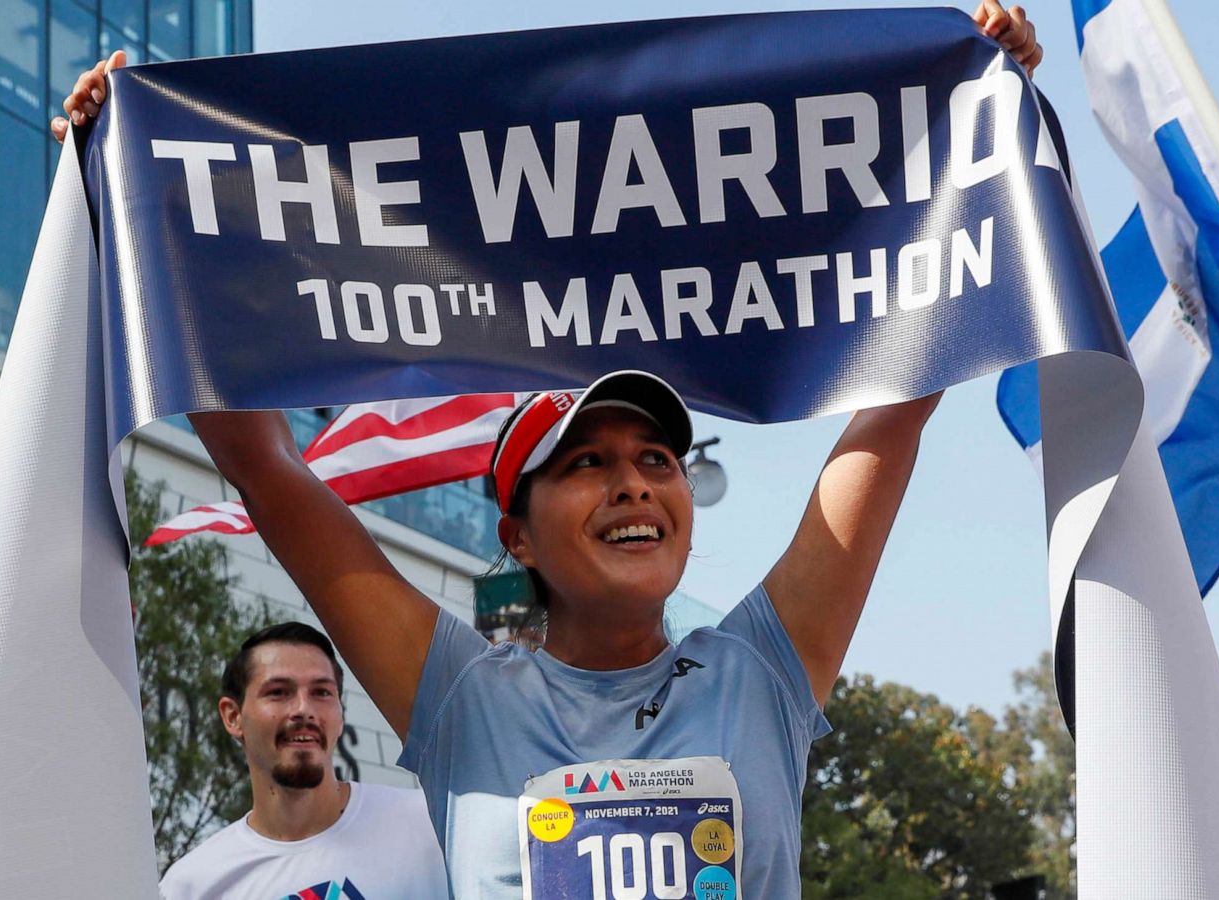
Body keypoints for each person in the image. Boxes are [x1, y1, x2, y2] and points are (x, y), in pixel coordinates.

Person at [58, 5, 1042, 897]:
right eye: (586, 463)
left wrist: (974, 122)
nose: (633, 484)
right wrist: (126, 185)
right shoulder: (457, 694)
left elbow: (897, 403)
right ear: (516, 537)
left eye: (656, 459)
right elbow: (264, 468)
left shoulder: (762, 670)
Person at [158, 623, 448, 900]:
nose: (304, 709)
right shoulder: (193, 886)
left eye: (321, 692)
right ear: (233, 716)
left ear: (340, 712)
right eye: (278, 692)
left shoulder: (430, 823)